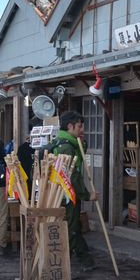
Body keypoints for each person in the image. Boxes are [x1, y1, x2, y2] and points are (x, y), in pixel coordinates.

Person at [49, 110, 97, 270]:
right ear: (70, 126)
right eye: (79, 126)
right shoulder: (66, 148)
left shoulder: (62, 142)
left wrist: (82, 143)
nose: (82, 129)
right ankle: (63, 265)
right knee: (71, 228)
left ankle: (85, 260)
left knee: (73, 226)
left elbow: (80, 154)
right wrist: (86, 195)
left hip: (61, 193)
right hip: (67, 194)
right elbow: (72, 175)